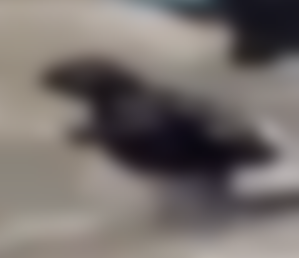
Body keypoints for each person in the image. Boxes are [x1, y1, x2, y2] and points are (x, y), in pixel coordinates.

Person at [41, 55, 278, 207]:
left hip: (195, 159)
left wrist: (97, 134)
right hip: (202, 159)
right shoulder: (147, 97)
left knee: (200, 207)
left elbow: (141, 127)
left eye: (69, 85)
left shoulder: (127, 103)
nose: (66, 92)